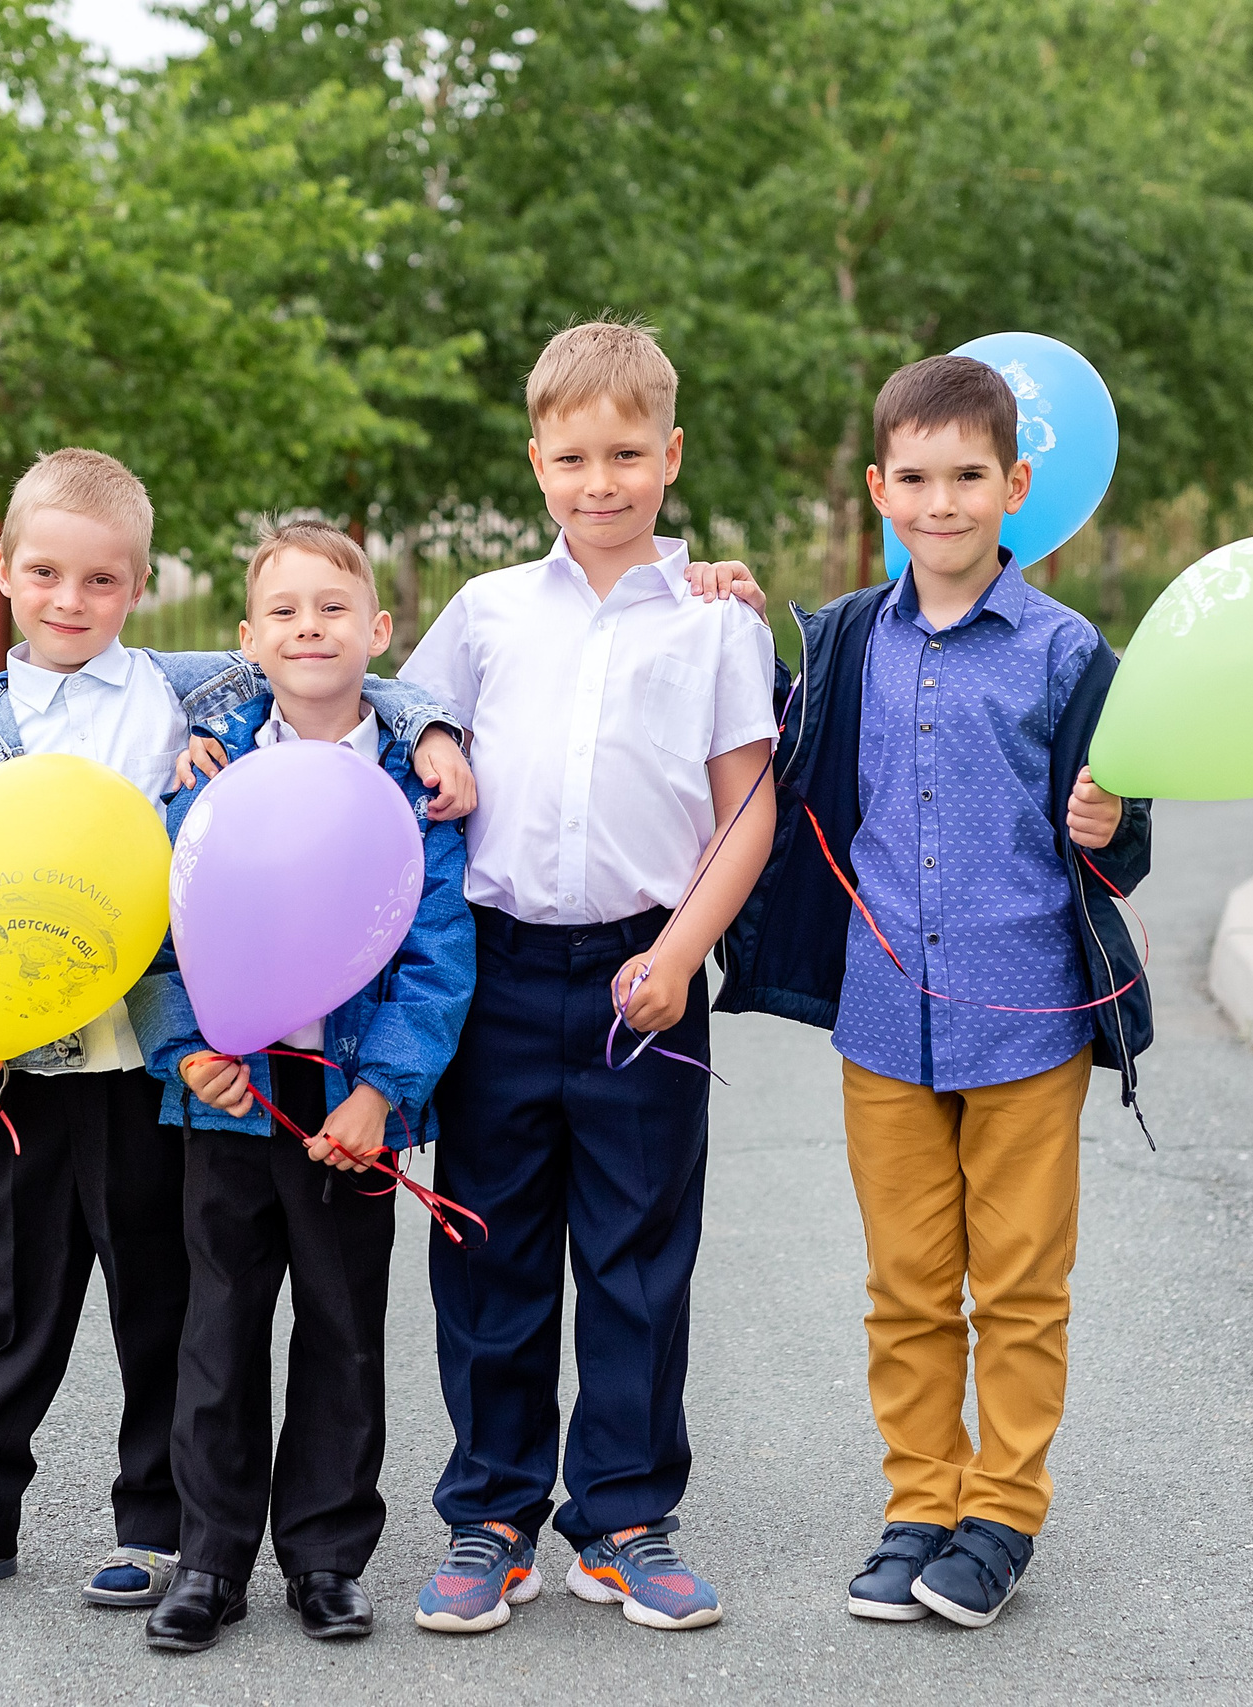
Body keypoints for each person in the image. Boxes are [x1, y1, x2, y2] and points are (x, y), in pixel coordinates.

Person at [0, 450, 469, 1613]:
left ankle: (156, 1526)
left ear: (135, 585)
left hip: (156, 1063)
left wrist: (431, 727)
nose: (68, 601)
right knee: (16, 1302)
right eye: (43, 574)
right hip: (24, 1064)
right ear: (4, 572)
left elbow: (334, 675)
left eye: (99, 581)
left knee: (163, 1303)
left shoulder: (189, 693)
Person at [713, 354, 1154, 1629]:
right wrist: (731, 609)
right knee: (907, 1282)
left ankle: (1000, 1511)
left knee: (1016, 1285)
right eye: (916, 477)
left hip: (1028, 1019)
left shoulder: (1070, 656)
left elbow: (1122, 849)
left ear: (1015, 485)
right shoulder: (848, 638)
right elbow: (776, 746)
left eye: (969, 476)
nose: (942, 500)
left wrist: (1108, 819)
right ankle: (918, 1500)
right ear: (878, 489)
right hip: (883, 1022)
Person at [393, 318, 778, 1635]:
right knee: (489, 1250)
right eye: (573, 455)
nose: (599, 479)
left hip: (645, 979)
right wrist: (437, 735)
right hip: (498, 975)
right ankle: (490, 1516)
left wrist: (680, 955)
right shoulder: (490, 608)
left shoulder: (717, 624)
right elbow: (409, 715)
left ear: (669, 455)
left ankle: (623, 1518)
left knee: (636, 1258)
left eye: (626, 452)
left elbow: (750, 810)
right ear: (537, 459)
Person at [134, 521, 476, 1654]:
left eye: (333, 608)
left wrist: (384, 1091)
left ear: (377, 632)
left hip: (349, 1103)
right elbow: (163, 929)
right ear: (248, 641)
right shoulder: (207, 769)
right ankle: (208, 1557)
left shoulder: (409, 780)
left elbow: (435, 956)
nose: (309, 628)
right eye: (283, 612)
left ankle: (326, 1555)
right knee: (217, 1327)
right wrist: (185, 1047)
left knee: (341, 1328)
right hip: (227, 1095)